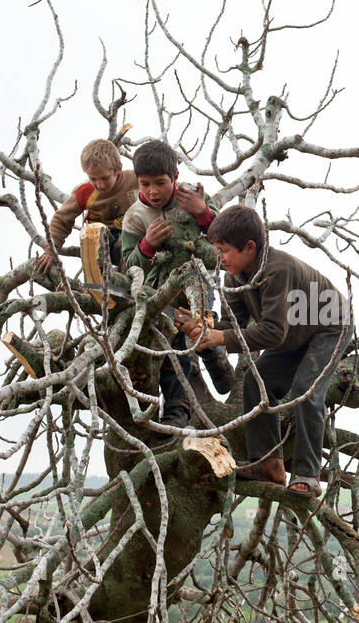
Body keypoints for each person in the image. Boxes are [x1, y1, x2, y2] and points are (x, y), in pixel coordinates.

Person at [180, 203, 352, 498]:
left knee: (305, 391)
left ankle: (307, 474)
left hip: (329, 326)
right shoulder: (233, 278)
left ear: (249, 247)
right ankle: (268, 464)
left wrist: (219, 337)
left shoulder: (277, 270)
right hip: (293, 335)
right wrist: (199, 327)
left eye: (224, 251)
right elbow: (233, 324)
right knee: (254, 382)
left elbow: (272, 332)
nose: (219, 259)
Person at [117, 140, 229, 427]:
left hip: (197, 279)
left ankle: (214, 354)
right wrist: (147, 245)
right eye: (145, 184)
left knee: (200, 321)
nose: (152, 191)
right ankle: (177, 408)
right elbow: (128, 265)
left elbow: (223, 236)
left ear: (176, 177)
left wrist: (202, 210)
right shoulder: (135, 216)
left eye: (160, 183)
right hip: (160, 290)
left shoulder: (192, 197)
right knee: (171, 342)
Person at [34, 138, 138, 275]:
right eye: (93, 179)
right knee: (97, 238)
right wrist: (51, 251)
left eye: (105, 178)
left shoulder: (137, 179)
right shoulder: (85, 192)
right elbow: (62, 219)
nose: (99, 185)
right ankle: (99, 283)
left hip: (135, 232)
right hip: (104, 240)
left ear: (118, 169)